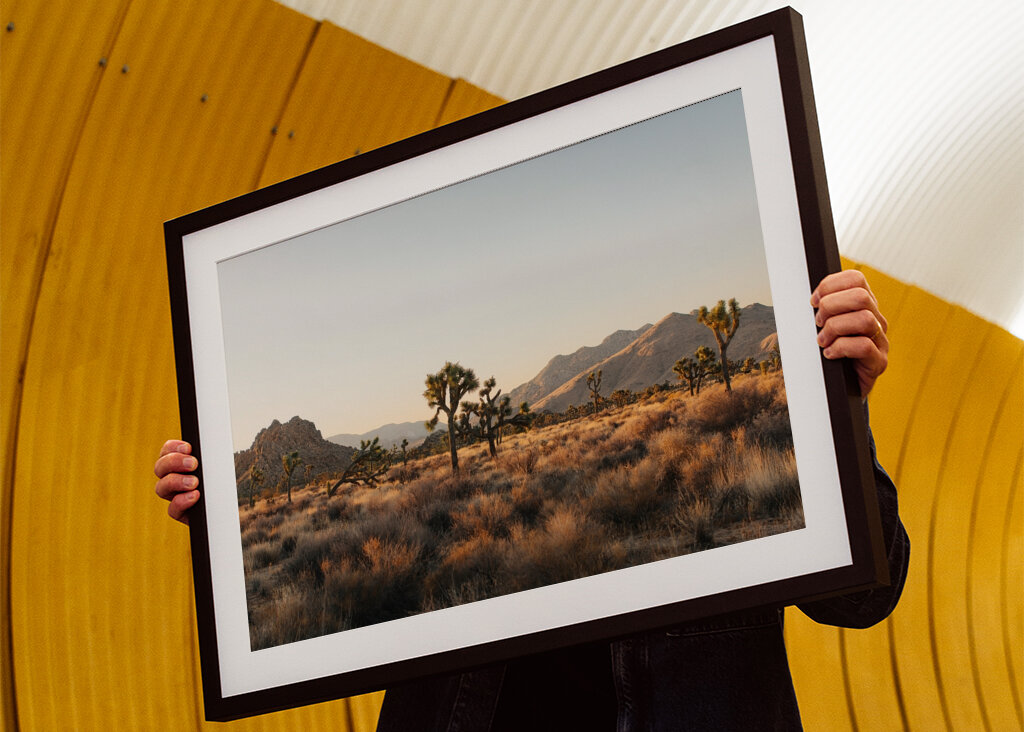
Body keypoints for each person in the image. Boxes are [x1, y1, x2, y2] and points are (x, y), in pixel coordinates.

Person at [154, 270, 909, 731]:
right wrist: (230, 532)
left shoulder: (773, 414)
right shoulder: (452, 530)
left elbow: (866, 595)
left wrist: (839, 406)